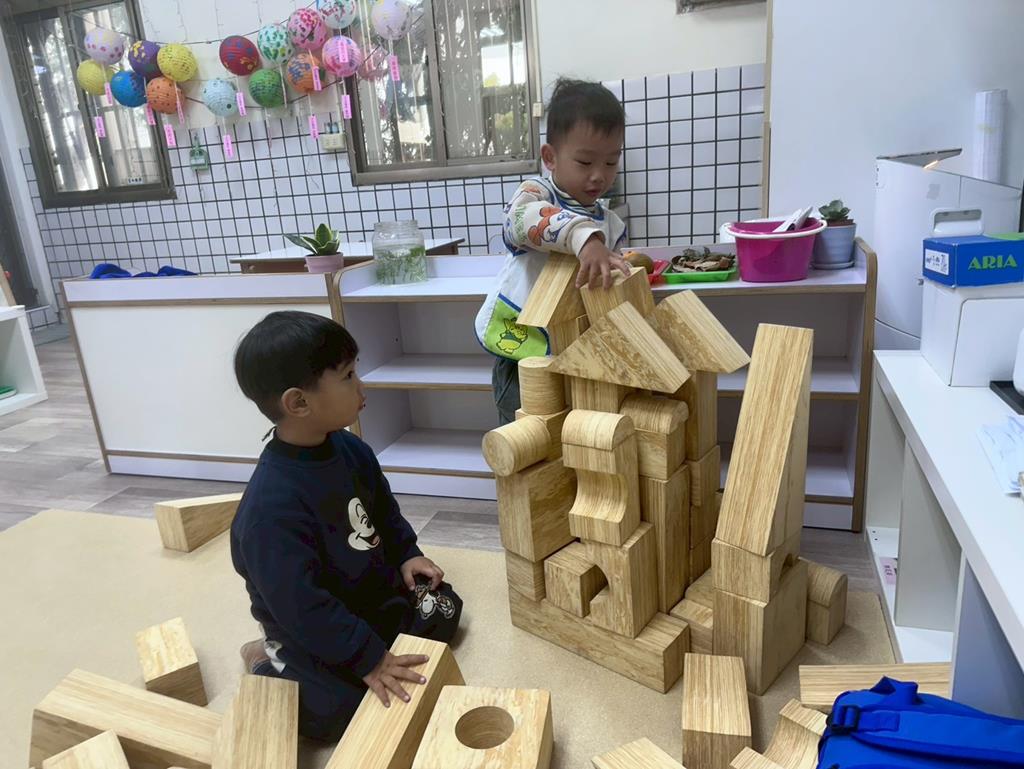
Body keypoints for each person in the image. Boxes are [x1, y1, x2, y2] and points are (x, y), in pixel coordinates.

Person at [230, 310, 462, 741]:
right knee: (337, 714)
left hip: (367, 596)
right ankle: (266, 658)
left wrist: (408, 555)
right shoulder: (269, 510)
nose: (362, 386)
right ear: (299, 403)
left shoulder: (352, 449)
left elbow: (384, 513)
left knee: (443, 609)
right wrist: (368, 659)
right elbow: (300, 605)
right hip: (308, 624)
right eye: (348, 376)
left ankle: (366, 643)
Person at [475, 77, 630, 425]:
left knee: (571, 439)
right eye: (585, 162)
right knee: (525, 438)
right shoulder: (537, 193)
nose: (599, 176)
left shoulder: (610, 223)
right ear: (550, 158)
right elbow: (519, 220)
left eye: (610, 163)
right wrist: (583, 238)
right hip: (523, 352)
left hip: (577, 356)